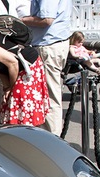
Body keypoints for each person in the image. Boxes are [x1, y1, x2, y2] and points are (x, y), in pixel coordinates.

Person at [22, 0, 72, 136]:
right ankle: (49, 138)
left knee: (49, 98)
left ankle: (53, 140)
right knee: (47, 96)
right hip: (53, 43)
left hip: (48, 44)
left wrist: (20, 20)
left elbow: (47, 20)